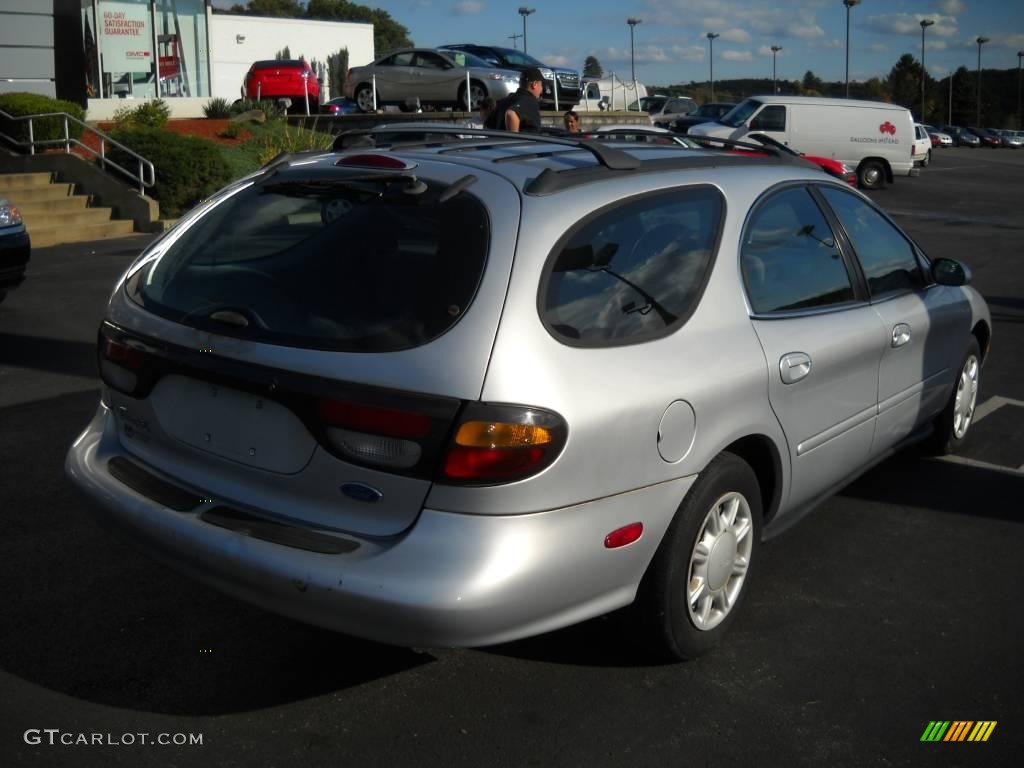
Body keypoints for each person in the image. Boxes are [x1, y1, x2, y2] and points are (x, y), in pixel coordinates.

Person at [503, 67, 544, 133]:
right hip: (523, 143)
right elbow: (511, 113)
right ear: (534, 84)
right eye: (541, 85)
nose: (541, 90)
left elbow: (488, 123)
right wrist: (513, 139)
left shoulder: (505, 100)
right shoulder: (529, 101)